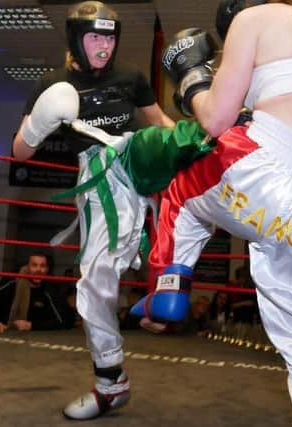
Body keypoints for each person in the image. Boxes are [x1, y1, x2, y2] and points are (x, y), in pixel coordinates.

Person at [131, 1, 292, 425]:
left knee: (181, 184)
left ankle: (168, 286)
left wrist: (192, 79)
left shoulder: (253, 18)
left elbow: (215, 120)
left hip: (268, 172)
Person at [11, 1, 174, 420]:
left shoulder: (131, 77)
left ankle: (163, 298)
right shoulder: (54, 83)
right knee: (97, 276)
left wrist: (201, 140)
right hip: (99, 183)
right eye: (95, 37)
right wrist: (39, 123)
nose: (104, 46)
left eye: (110, 37)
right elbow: (20, 151)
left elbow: (161, 123)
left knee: (192, 210)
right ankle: (110, 382)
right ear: (75, 40)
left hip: (138, 166)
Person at [7, 252, 73, 331]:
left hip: (40, 337)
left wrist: (32, 325)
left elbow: (64, 321)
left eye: (42, 266)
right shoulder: (13, 282)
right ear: (27, 268)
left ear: (47, 269)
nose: (38, 270)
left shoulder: (51, 290)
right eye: (34, 265)